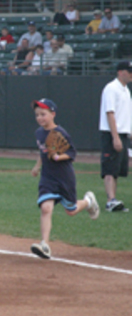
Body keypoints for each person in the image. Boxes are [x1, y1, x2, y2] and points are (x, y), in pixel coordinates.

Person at [30, 98, 99, 259]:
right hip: (47, 177)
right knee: (46, 208)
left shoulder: (61, 133)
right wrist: (37, 166)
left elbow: (72, 153)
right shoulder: (39, 133)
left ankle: (89, 201)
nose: (40, 118)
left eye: (43, 114)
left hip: (64, 177)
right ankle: (44, 244)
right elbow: (43, 152)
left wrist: (58, 157)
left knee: (71, 210)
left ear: (53, 114)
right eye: (37, 115)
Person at [99, 61, 132, 212]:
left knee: (117, 169)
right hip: (112, 133)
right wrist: (115, 137)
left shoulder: (125, 90)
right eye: (129, 71)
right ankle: (110, 200)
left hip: (123, 133)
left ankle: (114, 200)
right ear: (120, 72)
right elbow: (110, 113)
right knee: (110, 168)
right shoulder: (111, 88)